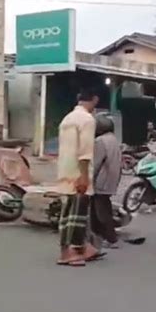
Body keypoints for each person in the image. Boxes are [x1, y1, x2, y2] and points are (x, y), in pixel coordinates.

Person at [56, 88, 104, 267]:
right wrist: (84, 177)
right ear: (95, 99)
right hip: (78, 174)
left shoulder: (67, 118)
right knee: (77, 216)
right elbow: (85, 152)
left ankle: (72, 250)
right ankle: (74, 252)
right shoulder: (87, 119)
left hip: (65, 172)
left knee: (67, 215)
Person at [91, 114, 122, 249]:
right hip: (112, 178)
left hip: (102, 181)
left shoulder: (100, 141)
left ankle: (111, 238)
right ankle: (97, 235)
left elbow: (96, 164)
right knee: (102, 207)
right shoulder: (114, 140)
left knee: (102, 211)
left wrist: (89, 179)